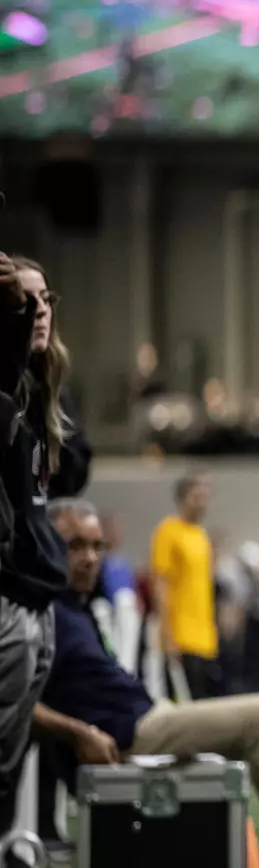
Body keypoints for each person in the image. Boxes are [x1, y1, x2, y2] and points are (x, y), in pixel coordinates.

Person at [36, 501, 259, 868]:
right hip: (131, 733)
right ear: (45, 544)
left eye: (96, 546)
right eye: (75, 545)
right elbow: (15, 701)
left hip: (150, 715)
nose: (90, 558)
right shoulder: (44, 614)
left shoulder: (75, 607)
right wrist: (78, 733)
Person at [0, 255, 81, 823]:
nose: (40, 312)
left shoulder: (40, 395)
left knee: (10, 759)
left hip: (38, 597)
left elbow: (77, 470)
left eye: (45, 299)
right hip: (9, 596)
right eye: (24, 301)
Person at [150, 473, 221, 699]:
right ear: (182, 498)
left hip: (205, 640)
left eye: (206, 497)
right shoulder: (168, 531)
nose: (203, 502)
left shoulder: (201, 536)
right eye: (197, 496)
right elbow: (160, 586)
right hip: (181, 638)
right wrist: (168, 638)